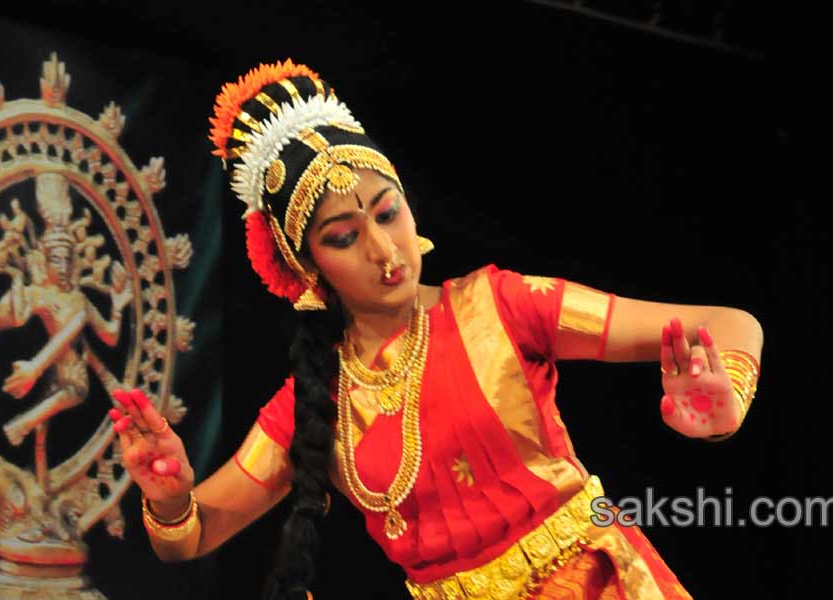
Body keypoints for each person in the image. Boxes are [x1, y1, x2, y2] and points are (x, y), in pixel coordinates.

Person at [107, 58, 763, 600]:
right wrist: (168, 498)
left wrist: (727, 395)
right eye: (344, 237)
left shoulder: (501, 306)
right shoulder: (314, 401)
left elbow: (729, 323)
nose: (384, 250)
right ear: (308, 268)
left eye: (388, 213)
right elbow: (189, 538)